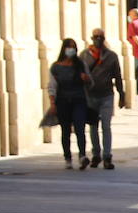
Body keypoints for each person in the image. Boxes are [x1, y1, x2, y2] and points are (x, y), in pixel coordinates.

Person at [82, 28, 125, 169]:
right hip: (90, 96)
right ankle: (96, 154)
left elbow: (117, 76)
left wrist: (121, 94)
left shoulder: (111, 56)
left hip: (107, 95)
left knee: (106, 126)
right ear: (91, 38)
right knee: (93, 126)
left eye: (100, 37)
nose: (98, 39)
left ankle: (107, 156)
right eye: (95, 37)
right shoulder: (84, 55)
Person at [47, 38, 90, 170]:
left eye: (73, 47)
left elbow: (90, 81)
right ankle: (68, 158)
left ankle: (82, 155)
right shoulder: (56, 67)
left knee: (80, 128)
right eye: (69, 47)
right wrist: (52, 103)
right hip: (63, 101)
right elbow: (52, 86)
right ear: (64, 49)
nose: (71, 50)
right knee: (65, 130)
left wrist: (86, 79)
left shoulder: (80, 64)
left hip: (79, 99)